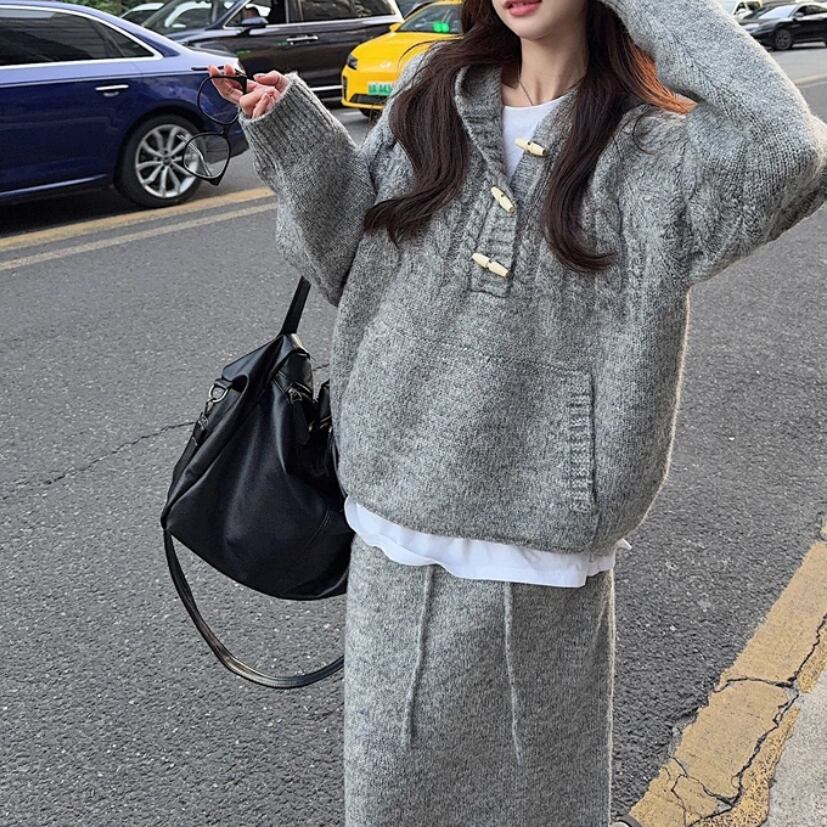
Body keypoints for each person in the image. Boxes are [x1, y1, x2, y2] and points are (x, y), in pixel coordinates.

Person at [207, 0, 827, 821]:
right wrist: (293, 135)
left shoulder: (652, 152)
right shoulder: (430, 91)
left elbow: (786, 149)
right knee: (390, 801)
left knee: (536, 802)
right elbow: (343, 263)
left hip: (539, 536)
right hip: (393, 518)